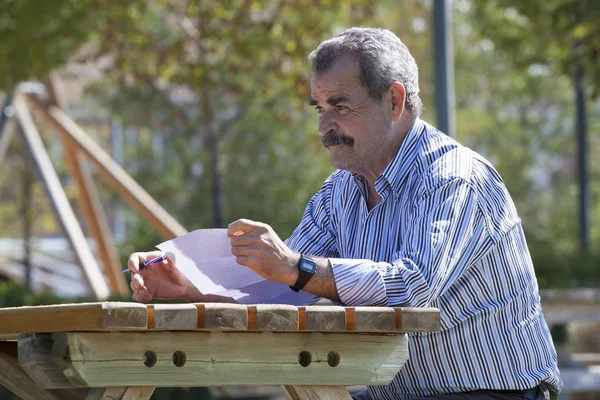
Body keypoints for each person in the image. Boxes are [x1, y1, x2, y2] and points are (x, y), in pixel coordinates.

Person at [128, 27, 561, 399]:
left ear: (394, 101)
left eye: (340, 105)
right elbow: (284, 286)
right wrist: (186, 283)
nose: (324, 126)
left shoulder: (455, 178)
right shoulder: (341, 190)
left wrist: (296, 268)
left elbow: (413, 288)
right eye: (320, 108)